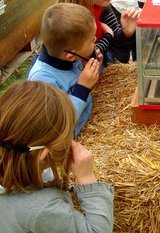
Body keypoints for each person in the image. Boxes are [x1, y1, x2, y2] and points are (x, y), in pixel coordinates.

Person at [0, 80, 114, 232]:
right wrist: (87, 177)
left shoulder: (16, 154)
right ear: (43, 153)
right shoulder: (42, 209)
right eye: (67, 137)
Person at [28, 3, 101, 138]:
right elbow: (57, 124)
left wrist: (86, 66)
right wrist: (83, 88)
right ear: (71, 56)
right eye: (92, 40)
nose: (96, 40)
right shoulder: (42, 80)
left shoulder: (66, 59)